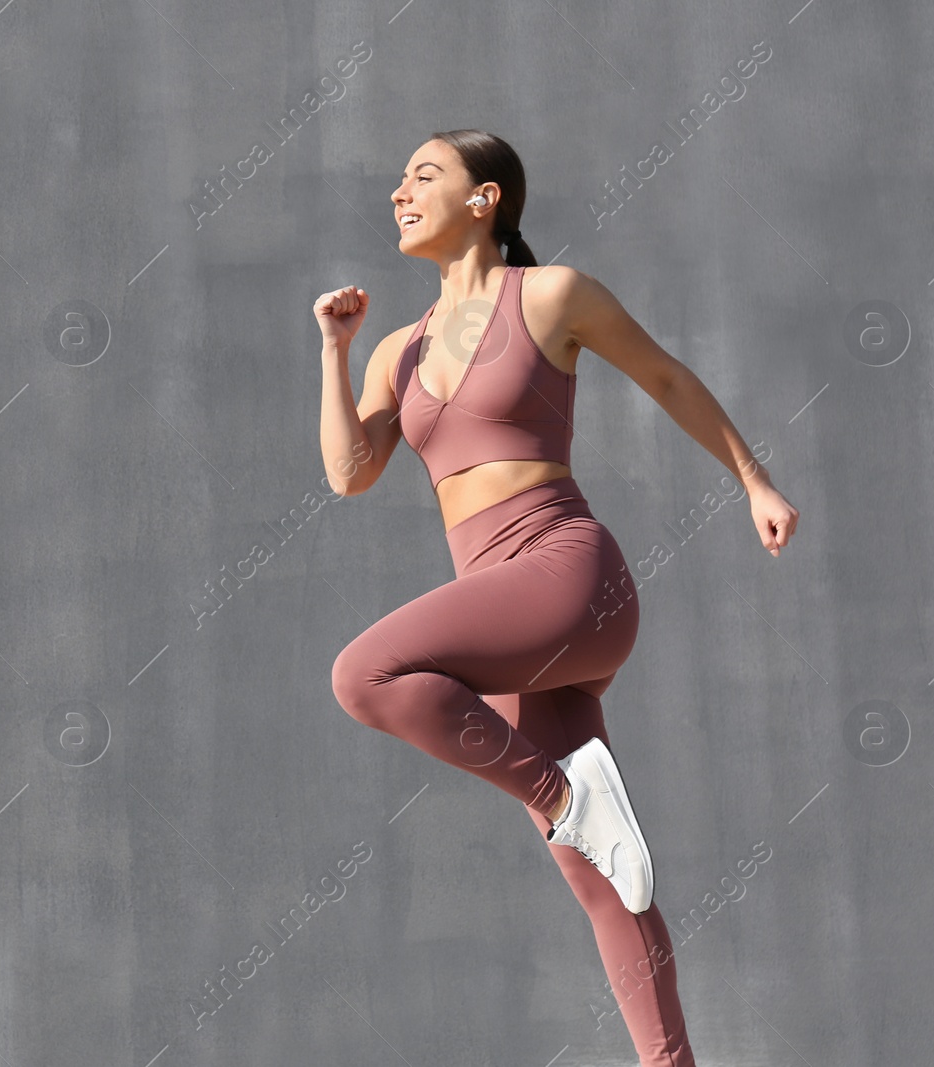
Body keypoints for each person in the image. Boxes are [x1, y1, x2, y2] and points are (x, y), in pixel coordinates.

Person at [316, 129, 798, 1067]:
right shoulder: (397, 353)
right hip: (502, 618)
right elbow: (348, 473)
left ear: (485, 198)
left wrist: (755, 482)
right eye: (400, 180)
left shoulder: (550, 295)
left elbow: (663, 373)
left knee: (363, 672)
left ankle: (563, 796)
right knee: (606, 885)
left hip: (569, 574)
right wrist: (337, 351)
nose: (400, 191)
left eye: (425, 175)